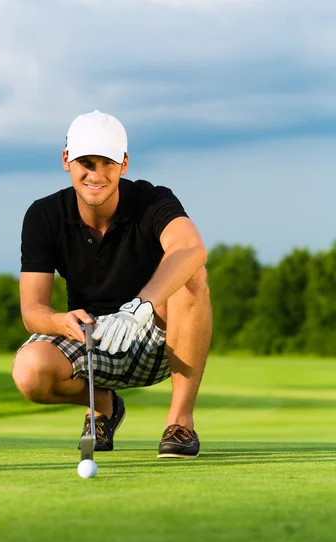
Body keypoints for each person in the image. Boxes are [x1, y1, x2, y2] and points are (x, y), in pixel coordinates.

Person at [12, 110, 212, 458]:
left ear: (124, 163)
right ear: (66, 161)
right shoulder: (43, 216)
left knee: (191, 277)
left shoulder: (152, 200)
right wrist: (60, 321)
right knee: (29, 372)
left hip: (158, 338)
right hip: (91, 341)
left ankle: (180, 422)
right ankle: (103, 404)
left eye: (107, 162)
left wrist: (139, 307)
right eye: (85, 162)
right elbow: (33, 311)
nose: (96, 174)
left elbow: (191, 248)